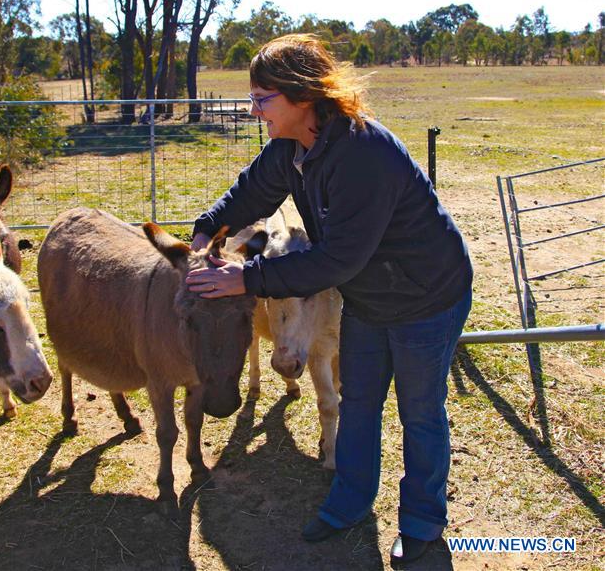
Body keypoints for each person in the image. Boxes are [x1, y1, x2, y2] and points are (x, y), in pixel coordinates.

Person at [185, 34, 473, 567]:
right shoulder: (292, 149)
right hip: (370, 297)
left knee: (420, 412)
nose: (254, 111)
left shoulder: (363, 153)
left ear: (300, 95)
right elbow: (250, 192)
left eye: (262, 99)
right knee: (358, 401)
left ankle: (423, 524)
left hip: (427, 295)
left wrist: (246, 279)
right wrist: (207, 231)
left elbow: (337, 260)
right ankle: (349, 501)